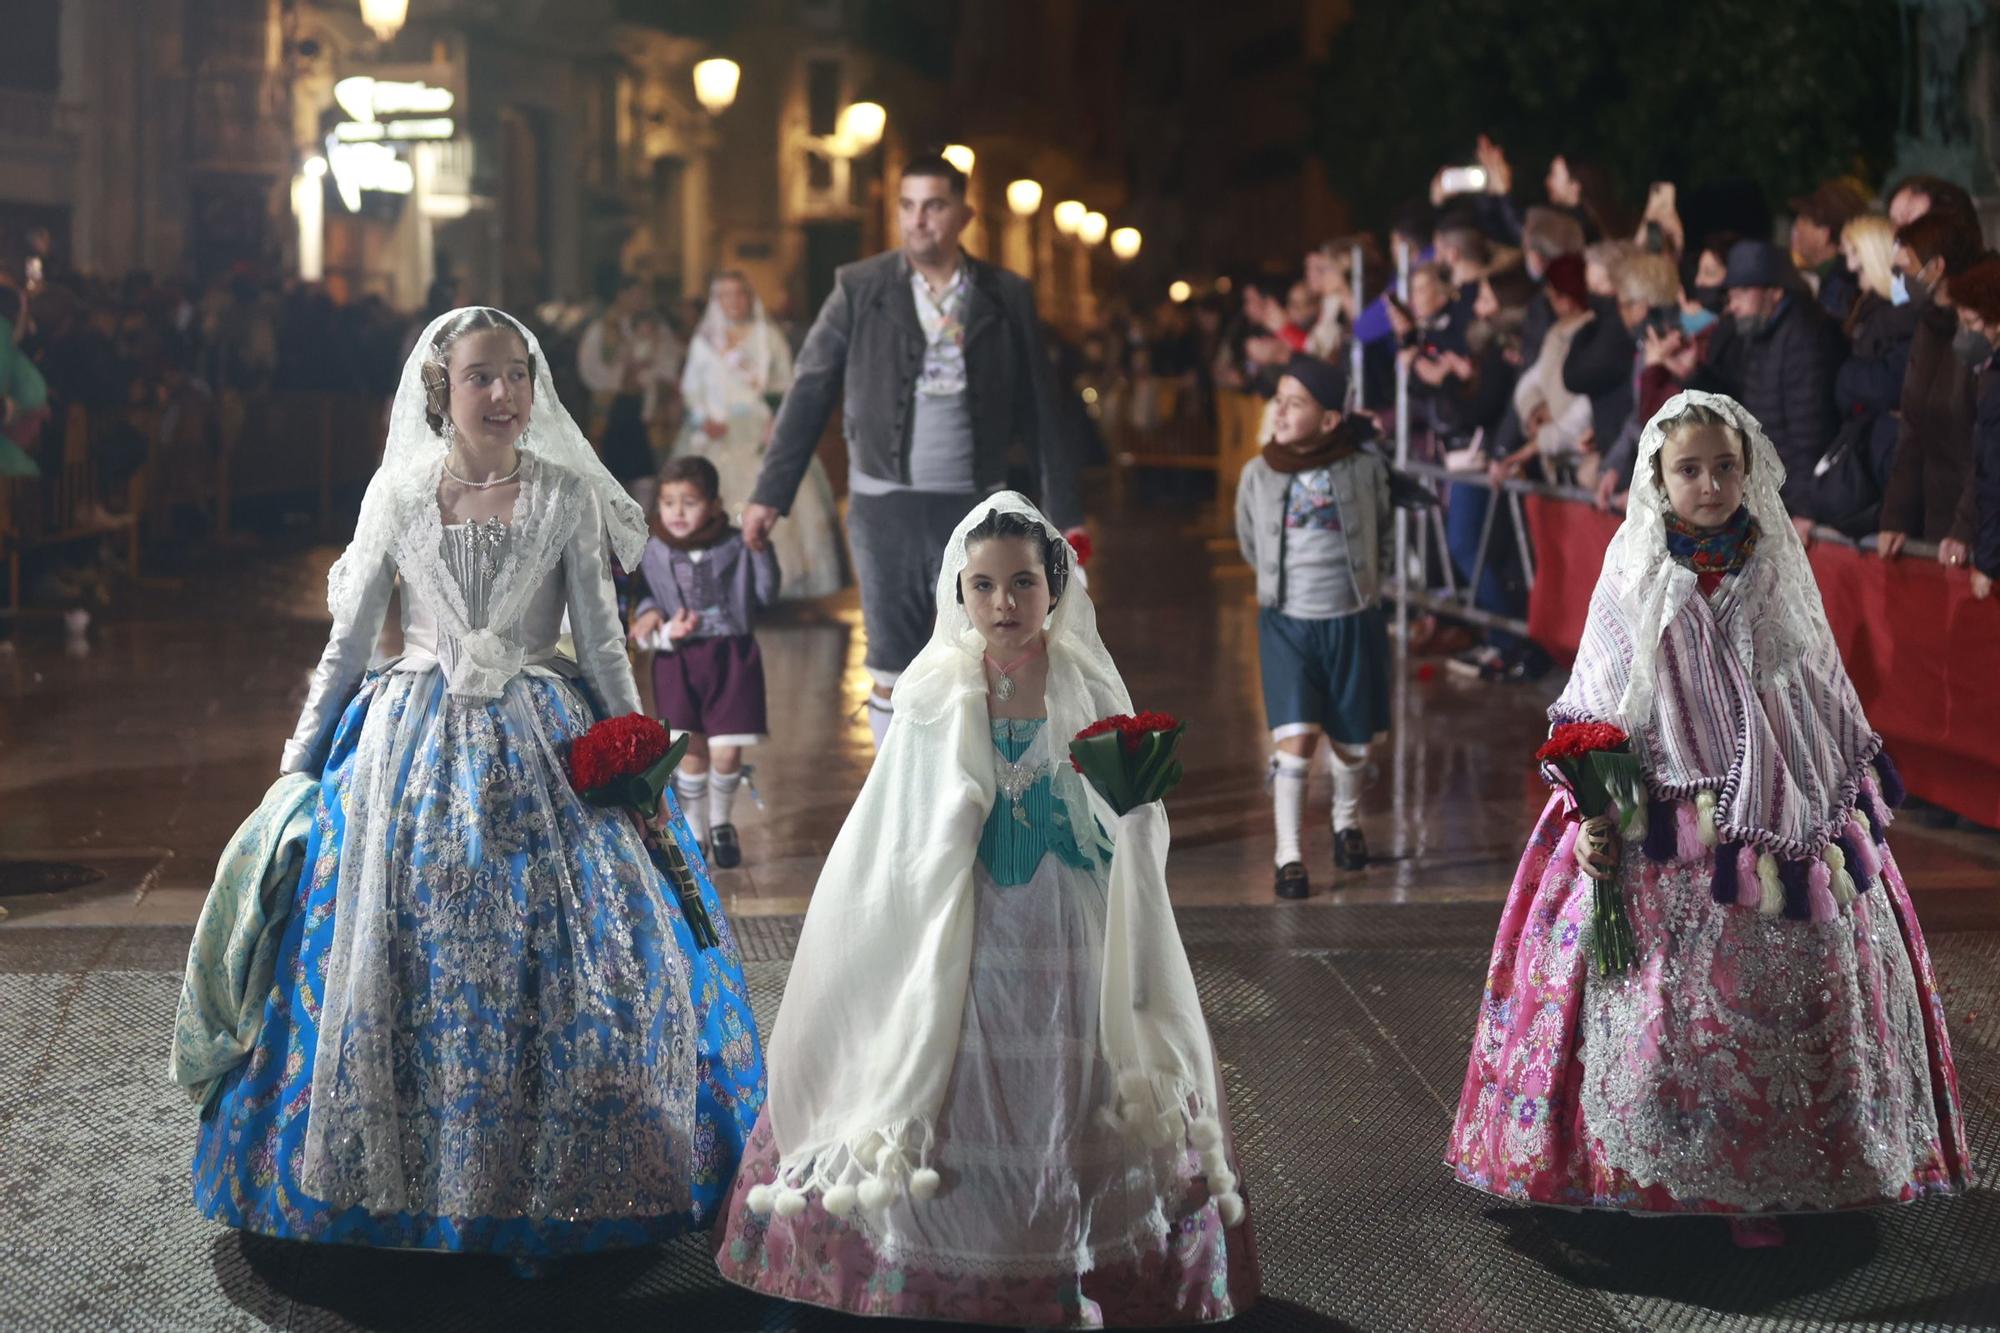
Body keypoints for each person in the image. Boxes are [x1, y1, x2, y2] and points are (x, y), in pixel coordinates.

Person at [188, 307, 765, 1266]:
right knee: (395, 942)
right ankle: (404, 1185)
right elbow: (347, 646)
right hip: (409, 745)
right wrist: (295, 765)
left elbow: (605, 642)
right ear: (440, 391)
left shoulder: (565, 497)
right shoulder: (400, 495)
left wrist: (633, 751)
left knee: (574, 949)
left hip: (545, 739)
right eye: (480, 377)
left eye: (517, 375)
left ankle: (555, 1180)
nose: (501, 394)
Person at [714, 493, 1258, 1325]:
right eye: (985, 586)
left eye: (1023, 583)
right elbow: (897, 817)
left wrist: (1127, 817)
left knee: (1067, 1068)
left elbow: (1115, 797)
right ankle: (940, 1254)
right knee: (951, 1056)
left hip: (1063, 914)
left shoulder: (1080, 677)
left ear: (1054, 588)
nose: (1005, 604)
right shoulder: (937, 686)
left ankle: (1074, 1249)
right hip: (964, 914)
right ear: (959, 595)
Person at [1447, 391, 1974, 1248]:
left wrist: (1810, 779)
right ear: (1658, 476)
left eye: (1726, 467)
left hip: (1777, 809)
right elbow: (1600, 687)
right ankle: (1629, 1168)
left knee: (1783, 995)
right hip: (1659, 813)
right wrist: (1594, 802)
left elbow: (1811, 683)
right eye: (1690, 469)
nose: (1711, 484)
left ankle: (1766, 1185)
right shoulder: (1634, 565)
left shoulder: (1773, 565)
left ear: (1748, 469)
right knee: (1655, 1004)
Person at [743, 154, 1084, 750]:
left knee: (984, 655)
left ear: (963, 215)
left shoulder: (1006, 295)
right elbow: (811, 388)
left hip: (977, 509)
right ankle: (896, 807)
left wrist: (1069, 512)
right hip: (885, 509)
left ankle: (976, 808)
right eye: (907, 206)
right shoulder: (860, 286)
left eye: (934, 205)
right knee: (892, 663)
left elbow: (1042, 410)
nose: (918, 220)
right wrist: (770, 495)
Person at [1235, 355, 1392, 899]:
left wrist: (1371, 590)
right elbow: (1250, 541)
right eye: (1278, 397)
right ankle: (1289, 854)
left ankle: (1347, 822)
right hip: (1288, 625)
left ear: (1328, 420)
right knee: (1294, 740)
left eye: (1295, 402)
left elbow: (1382, 534)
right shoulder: (1258, 474)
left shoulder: (1363, 469)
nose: (1279, 408)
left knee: (1353, 743)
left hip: (1350, 622)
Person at [630, 455, 780, 869]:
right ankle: (696, 828)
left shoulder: (735, 544)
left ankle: (721, 821)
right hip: (678, 660)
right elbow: (645, 594)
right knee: (689, 749)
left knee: (727, 750)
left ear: (714, 504)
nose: (677, 512)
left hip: (731, 656)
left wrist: (760, 550)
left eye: (690, 502)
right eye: (668, 502)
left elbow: (766, 595)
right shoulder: (654, 549)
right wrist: (648, 614)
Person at [673, 270, 844, 600]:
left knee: (767, 496)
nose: (732, 302)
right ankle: (716, 582)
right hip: (718, 432)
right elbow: (692, 388)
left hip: (761, 428)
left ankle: (772, 582)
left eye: (738, 294)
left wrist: (778, 420)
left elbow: (787, 384)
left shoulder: (768, 336)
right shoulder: (705, 341)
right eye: (724, 295)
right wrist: (702, 417)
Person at [1879, 213, 1986, 566]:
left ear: (1936, 266)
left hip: (1977, 533)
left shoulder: (1981, 330)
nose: (1899, 280)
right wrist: (1896, 518)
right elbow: (1912, 430)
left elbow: (1988, 441)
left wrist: (1966, 528)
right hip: (1935, 524)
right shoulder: (1929, 324)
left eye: (1905, 269)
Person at [1714, 240, 1843, 506]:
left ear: (1775, 292)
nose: (1733, 305)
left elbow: (1810, 434)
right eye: (1731, 295)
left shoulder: (1806, 338)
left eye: (1742, 293)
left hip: (1794, 499)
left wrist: (1804, 507)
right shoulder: (1756, 332)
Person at [579, 274, 682, 507]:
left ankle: (644, 513)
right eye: (635, 294)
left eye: (643, 295)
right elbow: (589, 365)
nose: (640, 299)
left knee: (646, 463)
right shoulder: (602, 328)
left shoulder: (658, 327)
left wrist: (653, 376)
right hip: (614, 406)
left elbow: (670, 357)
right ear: (621, 295)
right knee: (611, 462)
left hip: (647, 404)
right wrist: (619, 379)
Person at [1789, 180, 1869, 322]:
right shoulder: (1838, 280)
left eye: (1805, 219)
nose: (1796, 227)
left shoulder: (1841, 287)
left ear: (1823, 234)